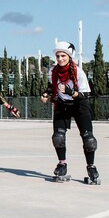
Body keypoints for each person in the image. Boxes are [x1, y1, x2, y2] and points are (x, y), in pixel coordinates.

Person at [41, 41, 100, 184]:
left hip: (79, 105)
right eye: (58, 56)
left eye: (63, 56)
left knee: (89, 140)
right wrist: (46, 94)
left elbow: (85, 94)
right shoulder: (52, 71)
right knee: (58, 137)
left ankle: (91, 167)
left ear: (69, 56)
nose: (60, 59)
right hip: (62, 105)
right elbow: (52, 86)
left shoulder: (78, 72)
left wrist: (71, 92)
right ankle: (62, 164)